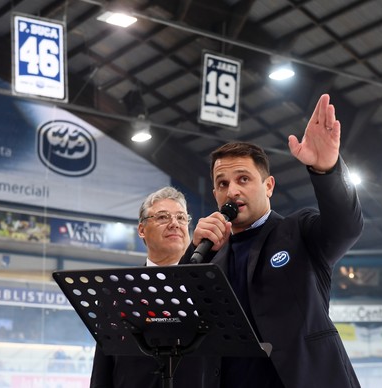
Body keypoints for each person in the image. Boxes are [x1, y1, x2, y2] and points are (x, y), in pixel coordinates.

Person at [180, 94, 364, 388]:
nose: (232, 191)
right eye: (222, 184)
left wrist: (326, 170)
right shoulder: (210, 253)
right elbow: (183, 309)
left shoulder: (298, 231)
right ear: (215, 194)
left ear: (268, 186)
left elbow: (346, 227)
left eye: (243, 179)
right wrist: (193, 249)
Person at [90, 186, 215, 388]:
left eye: (181, 218)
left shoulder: (210, 287)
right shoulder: (116, 292)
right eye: (163, 217)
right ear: (141, 230)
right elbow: (103, 367)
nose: (174, 224)